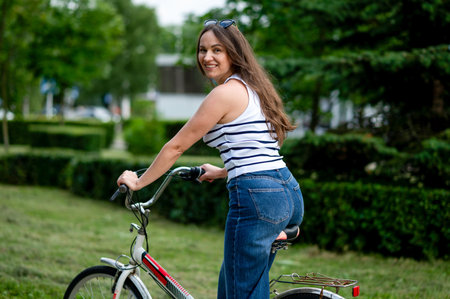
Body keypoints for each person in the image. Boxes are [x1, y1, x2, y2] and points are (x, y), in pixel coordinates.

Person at [117, 19, 304, 299]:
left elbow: (176, 147)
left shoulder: (223, 94)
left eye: (217, 50)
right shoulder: (253, 88)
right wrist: (222, 171)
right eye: (202, 50)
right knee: (232, 284)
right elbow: (256, 150)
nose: (207, 57)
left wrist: (139, 182)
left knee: (241, 293)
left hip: (258, 200)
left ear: (233, 53)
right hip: (287, 192)